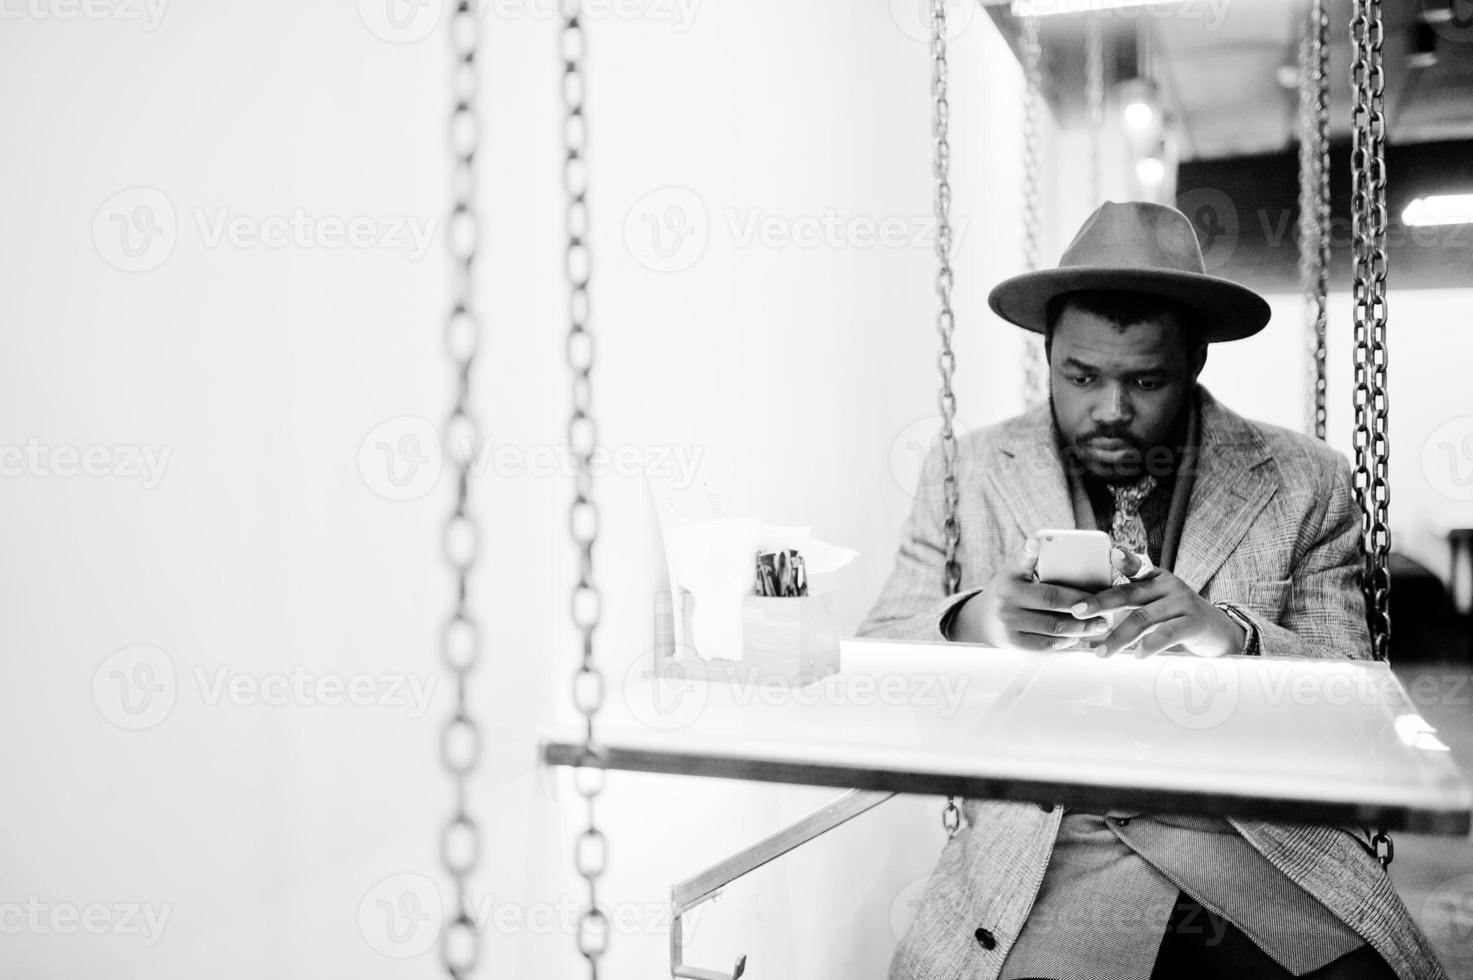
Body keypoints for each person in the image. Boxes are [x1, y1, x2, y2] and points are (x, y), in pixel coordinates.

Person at [859, 202, 1447, 980]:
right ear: (1047, 354)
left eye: (1144, 380)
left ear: (1196, 360)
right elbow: (870, 662)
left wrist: (1234, 637)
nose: (1110, 409)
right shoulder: (965, 472)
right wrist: (967, 622)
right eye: (1080, 377)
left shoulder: (1303, 481)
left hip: (1255, 848)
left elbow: (1354, 708)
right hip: (1044, 858)